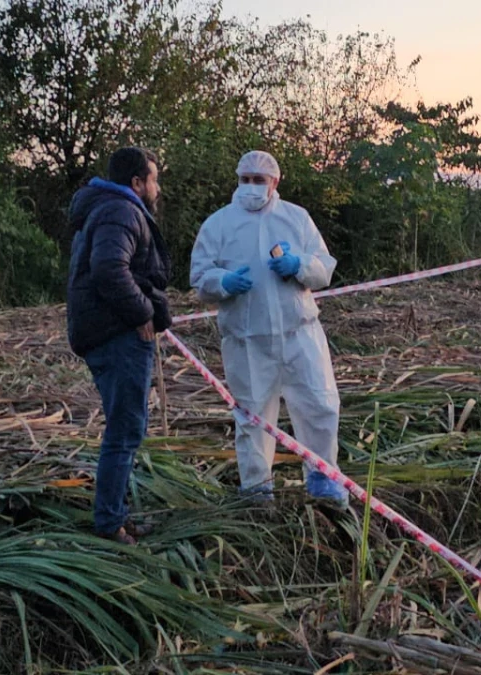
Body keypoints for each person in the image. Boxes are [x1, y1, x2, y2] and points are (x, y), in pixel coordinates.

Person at [189, 150, 348, 507]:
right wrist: (223, 282)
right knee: (253, 416)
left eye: (259, 180)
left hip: (299, 333)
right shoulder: (218, 224)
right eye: (245, 179)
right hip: (247, 341)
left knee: (319, 405)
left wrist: (300, 265)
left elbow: (323, 267)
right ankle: (257, 491)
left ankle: (323, 478)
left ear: (274, 183)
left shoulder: (296, 218)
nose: (251, 187)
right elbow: (199, 277)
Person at [67, 147, 172, 544]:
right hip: (118, 335)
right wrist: (143, 312)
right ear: (136, 184)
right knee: (125, 429)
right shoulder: (122, 211)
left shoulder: (108, 208)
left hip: (107, 332)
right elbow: (110, 269)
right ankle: (110, 524)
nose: (157, 188)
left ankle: (117, 515)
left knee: (126, 427)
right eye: (154, 179)